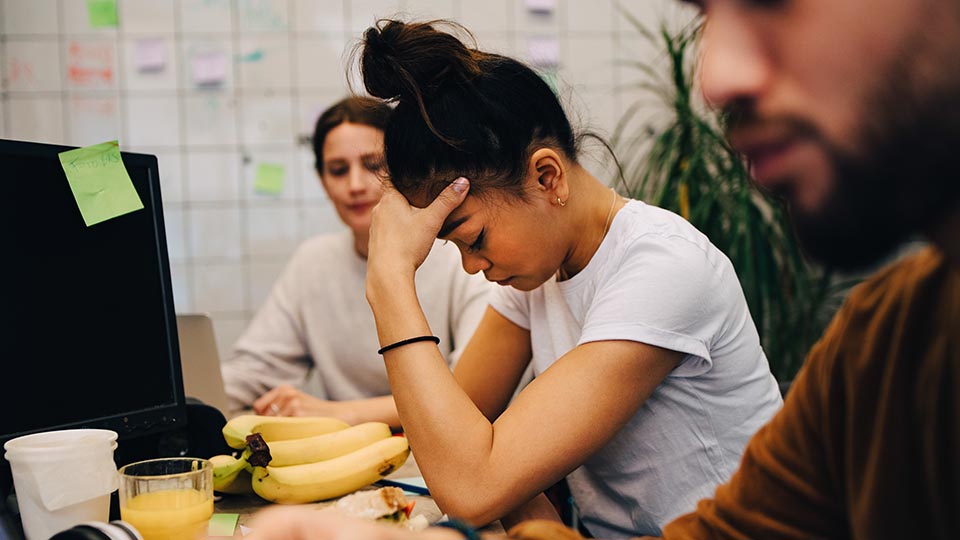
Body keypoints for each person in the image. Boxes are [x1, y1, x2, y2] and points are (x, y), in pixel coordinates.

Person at [257, 18, 781, 538]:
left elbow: (471, 482)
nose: (470, 265)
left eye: (474, 238)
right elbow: (453, 437)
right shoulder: (538, 274)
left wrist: (389, 282)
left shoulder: (663, 268)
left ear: (546, 176)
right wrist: (514, 494)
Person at [220, 96, 493, 428]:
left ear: (404, 168)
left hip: (446, 449)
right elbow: (253, 372)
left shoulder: (461, 257)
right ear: (322, 181)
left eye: (373, 165)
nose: (355, 185)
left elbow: (475, 391)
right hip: (348, 458)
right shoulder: (313, 263)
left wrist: (337, 413)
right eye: (338, 170)